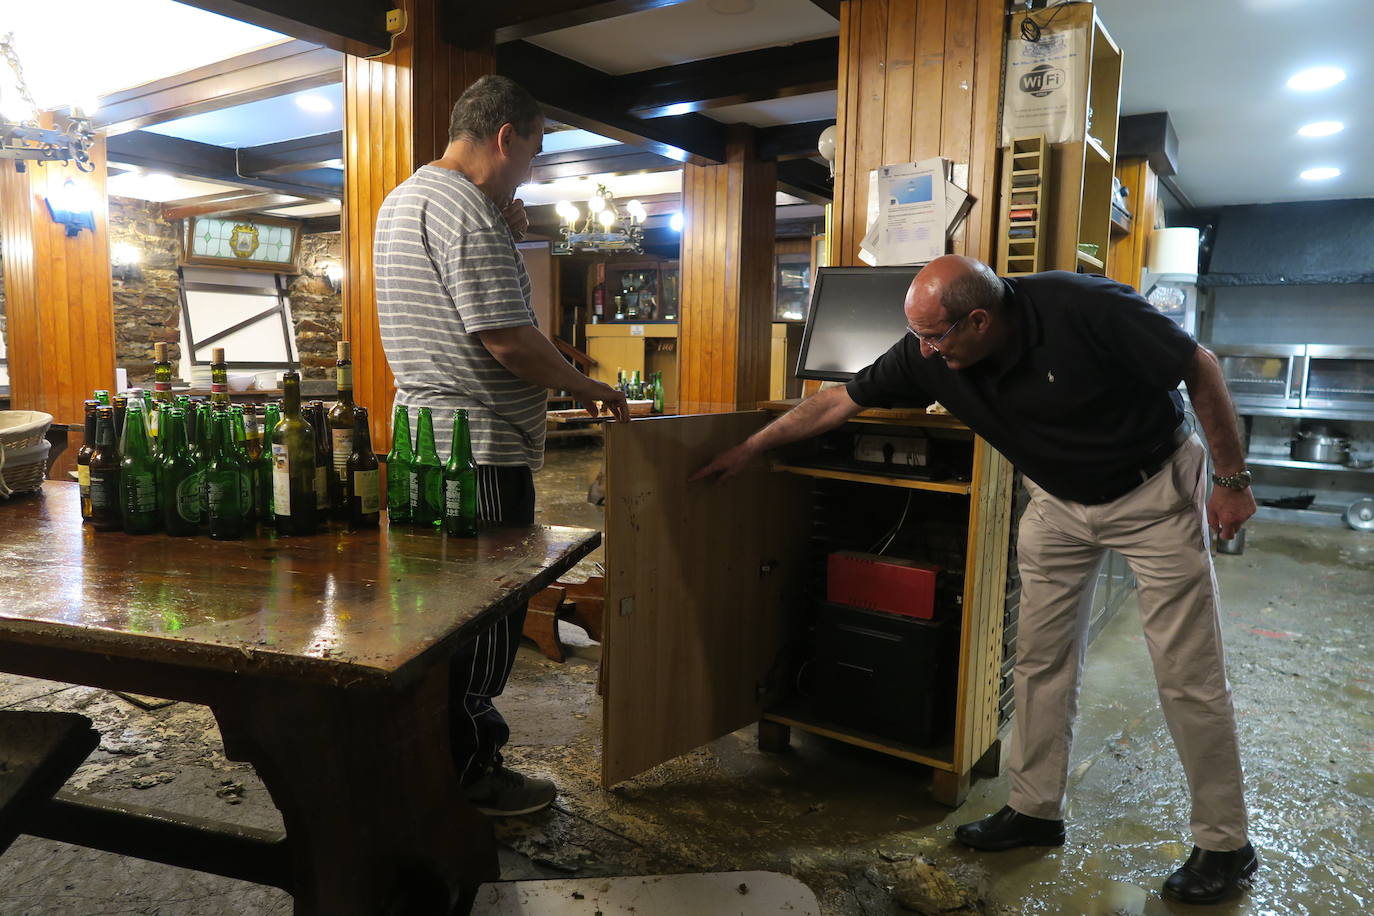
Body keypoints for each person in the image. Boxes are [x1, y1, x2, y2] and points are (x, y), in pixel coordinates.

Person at [692, 256, 1258, 904]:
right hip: (1057, 501)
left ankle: (1226, 844)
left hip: (1152, 490)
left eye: (935, 336)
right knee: (1040, 660)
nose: (923, 351)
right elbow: (837, 401)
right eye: (918, 336)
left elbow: (1199, 366)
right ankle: (1034, 809)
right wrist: (752, 447)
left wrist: (1231, 479)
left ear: (980, 320)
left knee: (1187, 673)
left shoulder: (1086, 307)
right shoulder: (930, 353)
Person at [374, 75, 629, 816]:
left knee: (432, 614)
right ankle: (470, 774)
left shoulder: (407, 199)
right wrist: (588, 387)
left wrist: (501, 223)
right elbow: (508, 340)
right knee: (485, 619)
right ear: (505, 136)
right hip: (478, 445)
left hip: (423, 443)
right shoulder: (463, 208)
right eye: (534, 153)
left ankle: (420, 771)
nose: (531, 171)